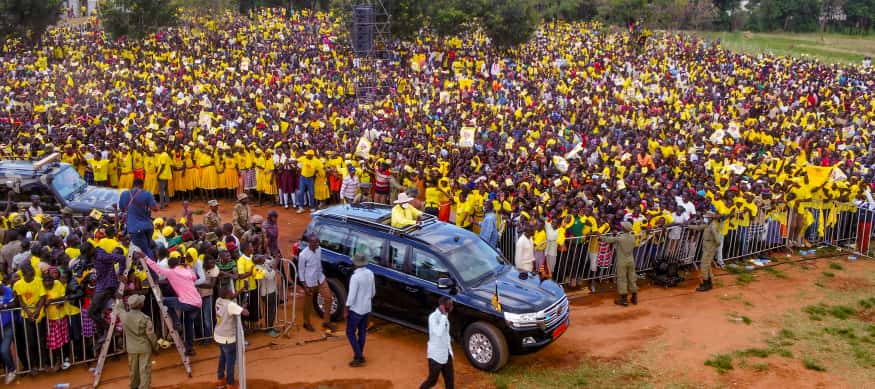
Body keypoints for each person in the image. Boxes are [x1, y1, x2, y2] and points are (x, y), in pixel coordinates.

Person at [141, 251, 201, 356]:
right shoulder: (188, 271)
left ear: (169, 266)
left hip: (187, 302)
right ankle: (190, 348)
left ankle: (176, 321)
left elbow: (156, 268)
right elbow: (195, 277)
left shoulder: (170, 272)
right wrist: (183, 261)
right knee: (188, 325)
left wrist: (145, 257)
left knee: (164, 301)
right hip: (197, 302)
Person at [82, 241, 127, 345]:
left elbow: (122, 258)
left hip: (106, 286)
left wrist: (120, 273)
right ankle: (105, 332)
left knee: (91, 313)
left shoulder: (101, 256)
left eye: (87, 254)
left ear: (90, 250)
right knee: (96, 312)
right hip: (101, 286)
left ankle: (110, 331)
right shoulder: (96, 252)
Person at [601, 222, 650, 306]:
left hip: (622, 261)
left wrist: (600, 235)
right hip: (631, 260)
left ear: (623, 228)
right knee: (632, 278)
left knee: (622, 279)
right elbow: (641, 234)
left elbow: (607, 239)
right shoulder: (632, 237)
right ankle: (634, 297)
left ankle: (624, 299)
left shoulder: (620, 238)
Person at [117, 294, 158, 389]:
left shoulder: (124, 316)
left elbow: (119, 309)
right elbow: (151, 335)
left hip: (131, 349)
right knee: (145, 370)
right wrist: (156, 348)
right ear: (141, 305)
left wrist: (120, 298)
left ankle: (134, 386)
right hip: (144, 348)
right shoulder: (145, 318)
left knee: (133, 370)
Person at [298, 235, 336, 333]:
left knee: (328, 298)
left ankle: (326, 321)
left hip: (320, 278)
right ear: (310, 243)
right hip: (310, 282)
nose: (317, 244)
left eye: (318, 242)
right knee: (308, 304)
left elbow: (319, 264)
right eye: (315, 243)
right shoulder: (303, 255)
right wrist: (305, 286)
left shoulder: (319, 249)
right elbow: (301, 271)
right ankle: (306, 323)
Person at [214, 287, 249, 389]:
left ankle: (220, 379)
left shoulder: (218, 300)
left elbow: (232, 300)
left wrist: (241, 289)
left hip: (218, 335)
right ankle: (230, 384)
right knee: (230, 361)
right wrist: (243, 308)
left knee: (222, 357)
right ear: (227, 295)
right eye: (230, 292)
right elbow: (246, 313)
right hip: (227, 338)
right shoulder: (230, 305)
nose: (232, 293)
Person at [344, 254, 375, 367]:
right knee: (362, 332)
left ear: (355, 264)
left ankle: (359, 356)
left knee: (350, 332)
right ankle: (359, 354)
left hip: (356, 310)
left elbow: (351, 296)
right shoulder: (370, 273)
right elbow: (373, 293)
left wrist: (346, 309)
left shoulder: (355, 277)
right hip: (366, 308)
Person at [419, 296, 454, 389]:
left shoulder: (445, 315)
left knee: (450, 380)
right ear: (443, 306)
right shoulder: (433, 317)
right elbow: (438, 332)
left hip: (446, 354)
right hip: (436, 356)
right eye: (450, 305)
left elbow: (445, 334)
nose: (452, 307)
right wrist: (443, 316)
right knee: (432, 381)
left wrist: (450, 351)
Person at [119, 178, 159, 259]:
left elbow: (122, 208)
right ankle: (154, 266)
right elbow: (155, 208)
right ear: (142, 185)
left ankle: (153, 270)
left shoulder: (124, 194)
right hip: (148, 226)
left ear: (133, 185)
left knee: (145, 251)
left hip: (134, 228)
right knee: (147, 248)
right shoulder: (147, 194)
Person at [689, 212, 723, 292]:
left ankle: (706, 283)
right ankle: (709, 282)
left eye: (706, 217)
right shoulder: (708, 225)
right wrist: (687, 226)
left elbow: (718, 241)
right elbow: (699, 227)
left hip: (709, 249)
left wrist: (712, 248)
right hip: (707, 247)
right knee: (707, 265)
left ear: (711, 218)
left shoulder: (713, 227)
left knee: (703, 265)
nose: (705, 219)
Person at [1, 274, 19, 384]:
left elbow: (15, 303)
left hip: (8, 325)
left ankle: (12, 370)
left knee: (4, 349)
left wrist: (4, 306)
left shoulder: (8, 290)